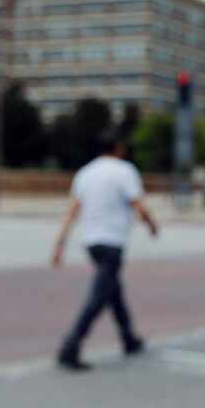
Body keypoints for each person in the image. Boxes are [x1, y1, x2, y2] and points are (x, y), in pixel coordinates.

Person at [51, 130, 159, 371]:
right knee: (100, 295)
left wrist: (59, 244)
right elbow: (138, 204)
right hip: (112, 242)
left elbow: (72, 211)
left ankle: (129, 338)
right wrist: (152, 225)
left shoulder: (85, 173)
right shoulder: (124, 171)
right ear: (118, 148)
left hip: (91, 242)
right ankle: (71, 345)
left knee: (113, 291)